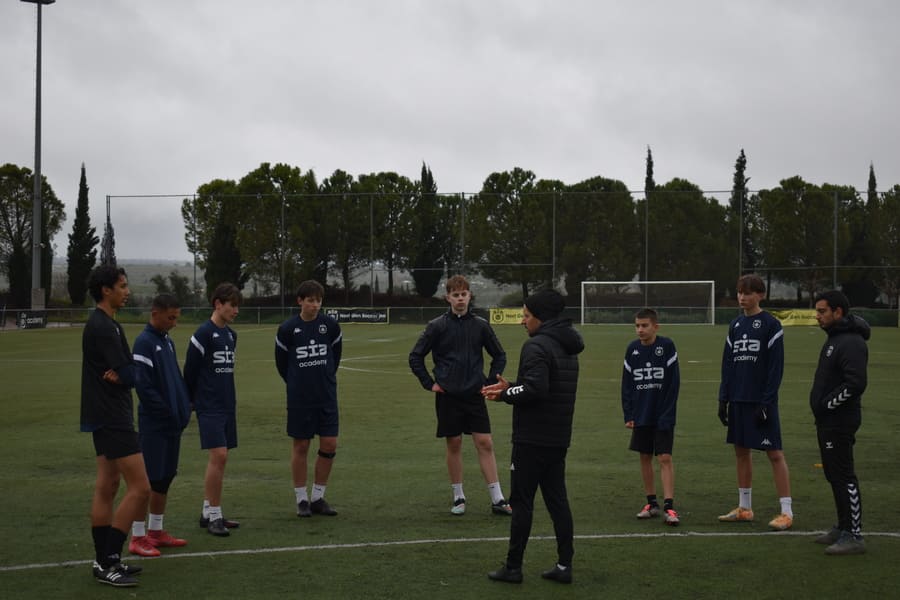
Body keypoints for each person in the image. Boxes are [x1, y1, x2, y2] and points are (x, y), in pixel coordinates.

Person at [483, 289, 583, 585]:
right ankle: (565, 565)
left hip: (532, 438)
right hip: (558, 436)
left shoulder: (537, 346)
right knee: (557, 501)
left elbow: (536, 390)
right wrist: (513, 385)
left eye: (526, 315)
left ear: (541, 317)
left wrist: (504, 394)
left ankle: (513, 567)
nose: (522, 321)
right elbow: (543, 385)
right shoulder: (567, 345)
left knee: (522, 502)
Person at [409, 275, 511, 516]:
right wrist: (430, 384)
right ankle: (458, 497)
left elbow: (500, 355)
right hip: (448, 396)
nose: (460, 299)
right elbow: (415, 357)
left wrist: (488, 382)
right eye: (455, 295)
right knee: (454, 443)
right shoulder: (436, 326)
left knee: (485, 442)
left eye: (464, 294)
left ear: (469, 296)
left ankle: (497, 498)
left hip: (475, 395)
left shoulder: (480, 325)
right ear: (448, 298)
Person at [81, 265, 149, 587]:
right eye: (122, 286)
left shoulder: (106, 323)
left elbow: (127, 371)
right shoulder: (104, 327)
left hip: (104, 413)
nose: (127, 291)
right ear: (106, 290)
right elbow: (132, 373)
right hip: (112, 416)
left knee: (107, 485)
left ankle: (102, 561)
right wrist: (125, 374)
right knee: (141, 488)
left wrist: (125, 373)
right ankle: (108, 560)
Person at [717, 274, 793, 531]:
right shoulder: (736, 325)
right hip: (738, 398)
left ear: (760, 295)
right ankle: (745, 507)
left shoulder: (771, 324)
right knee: (741, 452)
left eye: (748, 293)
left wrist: (766, 402)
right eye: (740, 292)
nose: (742, 297)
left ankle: (786, 511)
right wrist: (723, 398)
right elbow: (728, 363)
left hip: (760, 401)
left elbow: (775, 368)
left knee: (774, 453)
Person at [128, 294, 192, 557]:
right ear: (155, 313)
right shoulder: (144, 343)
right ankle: (137, 536)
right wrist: (166, 412)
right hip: (155, 425)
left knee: (164, 478)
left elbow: (175, 379)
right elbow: (143, 386)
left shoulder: (166, 341)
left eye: (176, 317)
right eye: (171, 317)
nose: (174, 323)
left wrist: (184, 407)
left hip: (172, 424)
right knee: (147, 481)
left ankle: (156, 531)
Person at [275, 280, 343, 517]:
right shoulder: (287, 329)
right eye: (310, 300)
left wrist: (324, 379)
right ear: (300, 301)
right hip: (299, 398)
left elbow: (335, 357)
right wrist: (296, 383)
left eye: (318, 300)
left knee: (329, 443)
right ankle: (301, 499)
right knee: (301, 445)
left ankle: (318, 497)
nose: (315, 305)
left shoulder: (330, 326)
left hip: (326, 396)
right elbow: (282, 365)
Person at [810, 290, 870, 555]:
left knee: (844, 474)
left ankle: (854, 534)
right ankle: (842, 526)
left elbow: (856, 383)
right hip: (827, 421)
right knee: (833, 473)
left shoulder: (852, 342)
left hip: (840, 421)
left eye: (822, 311)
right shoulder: (835, 339)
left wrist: (827, 405)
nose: (817, 316)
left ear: (838, 312)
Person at [184, 282, 242, 536]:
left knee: (222, 458)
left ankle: (207, 511)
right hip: (209, 406)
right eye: (232, 305)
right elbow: (190, 372)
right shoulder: (202, 334)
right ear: (218, 304)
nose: (236, 311)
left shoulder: (231, 335)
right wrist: (191, 403)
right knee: (219, 456)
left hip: (228, 405)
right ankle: (215, 517)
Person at [621, 308, 681, 526]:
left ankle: (669, 506)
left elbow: (673, 385)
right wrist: (629, 413)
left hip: (662, 413)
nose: (640, 329)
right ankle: (651, 503)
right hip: (641, 413)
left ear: (656, 326)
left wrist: (667, 414)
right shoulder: (632, 350)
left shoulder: (666, 346)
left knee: (664, 457)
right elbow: (627, 385)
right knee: (644, 456)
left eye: (644, 325)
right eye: (637, 325)